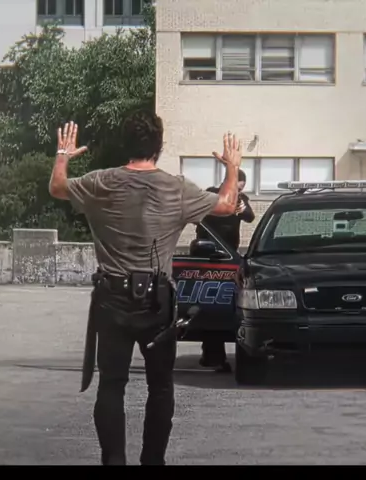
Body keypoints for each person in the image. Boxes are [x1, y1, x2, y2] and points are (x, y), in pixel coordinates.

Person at [48, 112, 242, 465]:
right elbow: (228, 204)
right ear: (159, 146)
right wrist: (232, 166)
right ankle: (153, 461)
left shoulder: (99, 182)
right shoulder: (177, 188)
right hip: (157, 302)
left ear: (125, 144)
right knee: (161, 386)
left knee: (111, 384)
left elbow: (58, 187)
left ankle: (114, 461)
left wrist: (63, 155)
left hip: (112, 298)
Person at [195, 169, 255, 372]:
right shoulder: (211, 195)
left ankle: (214, 355)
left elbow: (249, 216)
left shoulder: (239, 199)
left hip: (229, 257)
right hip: (206, 257)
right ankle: (212, 355)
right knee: (211, 305)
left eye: (242, 188)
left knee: (225, 305)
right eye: (238, 186)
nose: (239, 191)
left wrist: (240, 205)